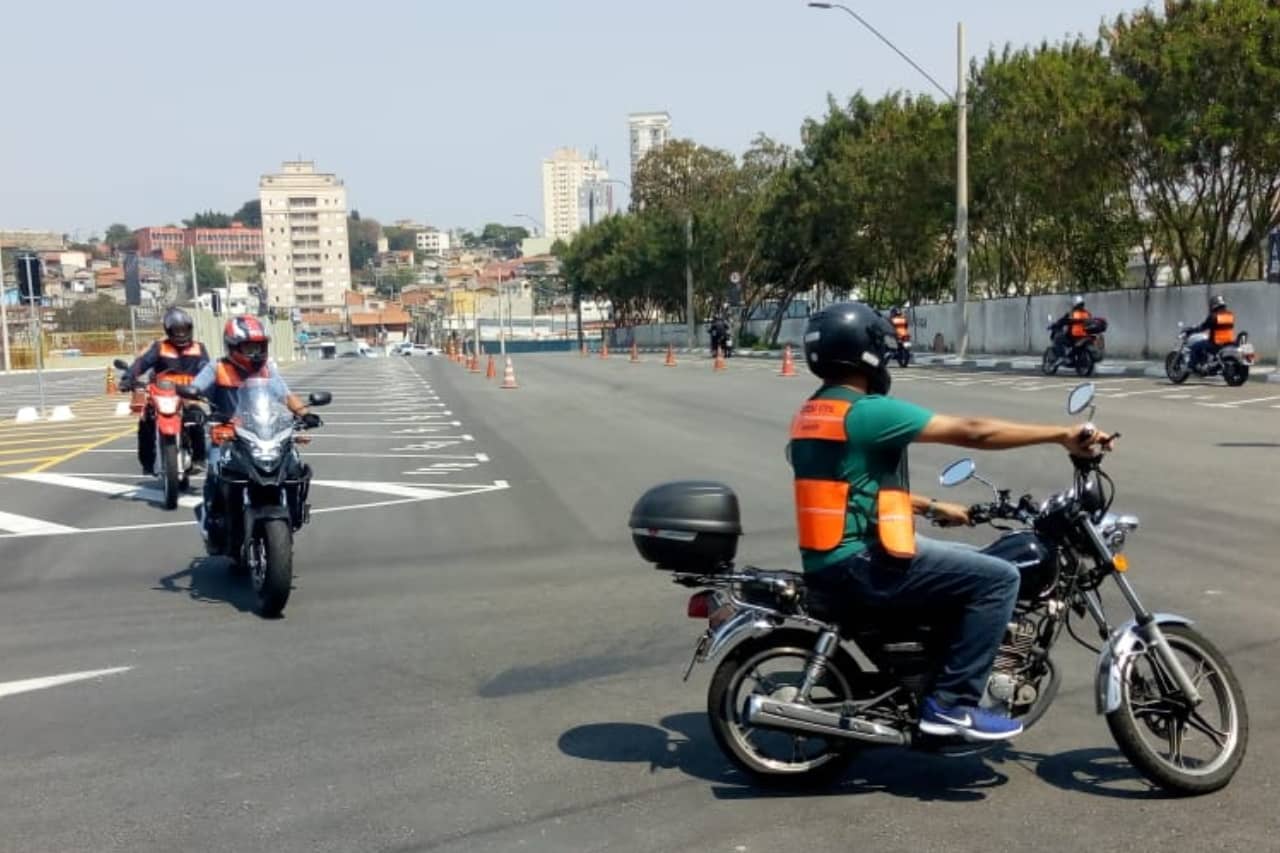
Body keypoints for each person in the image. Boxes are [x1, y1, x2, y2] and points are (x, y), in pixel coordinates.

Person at [789, 301, 1113, 742]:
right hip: (863, 559)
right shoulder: (865, 412)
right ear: (867, 352)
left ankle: (934, 671)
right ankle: (953, 703)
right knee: (999, 579)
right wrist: (1061, 435)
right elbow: (974, 430)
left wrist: (929, 505)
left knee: (972, 560)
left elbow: (848, 486)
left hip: (834, 556)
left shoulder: (812, 415)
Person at [187, 315, 320, 553]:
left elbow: (286, 396)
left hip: (264, 432)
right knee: (216, 471)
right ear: (233, 346)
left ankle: (295, 510)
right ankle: (211, 521)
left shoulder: (267, 370)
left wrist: (305, 414)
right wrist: (194, 409)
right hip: (228, 434)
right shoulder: (216, 367)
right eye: (250, 347)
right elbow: (194, 390)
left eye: (259, 346)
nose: (256, 353)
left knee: (294, 464)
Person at [121, 307, 210, 474]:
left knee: (197, 418)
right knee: (145, 420)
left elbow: (207, 369)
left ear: (190, 329)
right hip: (162, 395)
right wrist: (128, 378)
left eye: (184, 329)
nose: (181, 333)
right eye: (177, 330)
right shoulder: (160, 347)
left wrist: (209, 385)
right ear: (169, 331)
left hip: (188, 396)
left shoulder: (199, 348)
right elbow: (142, 363)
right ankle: (147, 462)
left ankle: (199, 458)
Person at [1185, 295, 1234, 370]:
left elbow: (1203, 327)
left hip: (1215, 343)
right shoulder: (1229, 315)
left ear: (1213, 305)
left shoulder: (1213, 316)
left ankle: (1192, 367)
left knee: (1195, 347)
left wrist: (1192, 330)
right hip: (1227, 342)